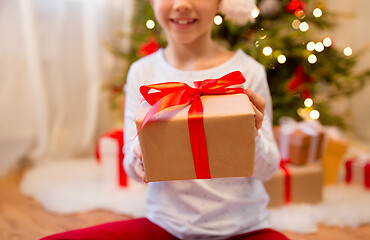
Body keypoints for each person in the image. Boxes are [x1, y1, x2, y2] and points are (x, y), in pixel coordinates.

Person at [41, 0, 289, 239]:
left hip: (243, 229)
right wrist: (140, 157)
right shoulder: (142, 72)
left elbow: (267, 171)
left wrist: (251, 134)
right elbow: (131, 165)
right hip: (165, 227)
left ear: (219, 2)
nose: (182, 3)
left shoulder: (246, 72)